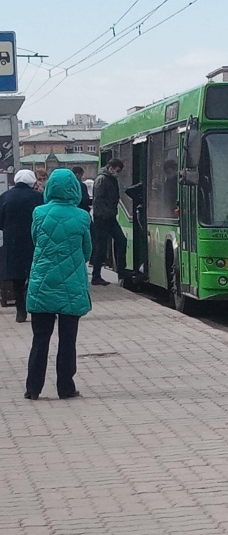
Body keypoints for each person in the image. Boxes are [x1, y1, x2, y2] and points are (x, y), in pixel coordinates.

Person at [24, 169, 92, 400]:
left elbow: (36, 240)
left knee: (40, 338)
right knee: (67, 339)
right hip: (71, 285)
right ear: (73, 188)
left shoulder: (39, 213)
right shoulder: (82, 216)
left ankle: (33, 388)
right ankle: (65, 386)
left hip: (41, 282)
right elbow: (87, 251)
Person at [0, 169, 44, 322]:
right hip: (34, 241)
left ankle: (20, 311)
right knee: (35, 275)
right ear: (32, 181)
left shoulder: (5, 197)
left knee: (16, 277)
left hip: (12, 242)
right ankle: (36, 308)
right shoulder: (38, 197)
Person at [91, 158, 127, 286]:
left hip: (109, 217)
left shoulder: (110, 179)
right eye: (117, 170)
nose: (118, 173)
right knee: (101, 247)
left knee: (121, 240)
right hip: (102, 218)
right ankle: (96, 276)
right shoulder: (102, 180)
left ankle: (122, 274)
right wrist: (107, 214)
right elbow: (98, 201)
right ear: (111, 168)